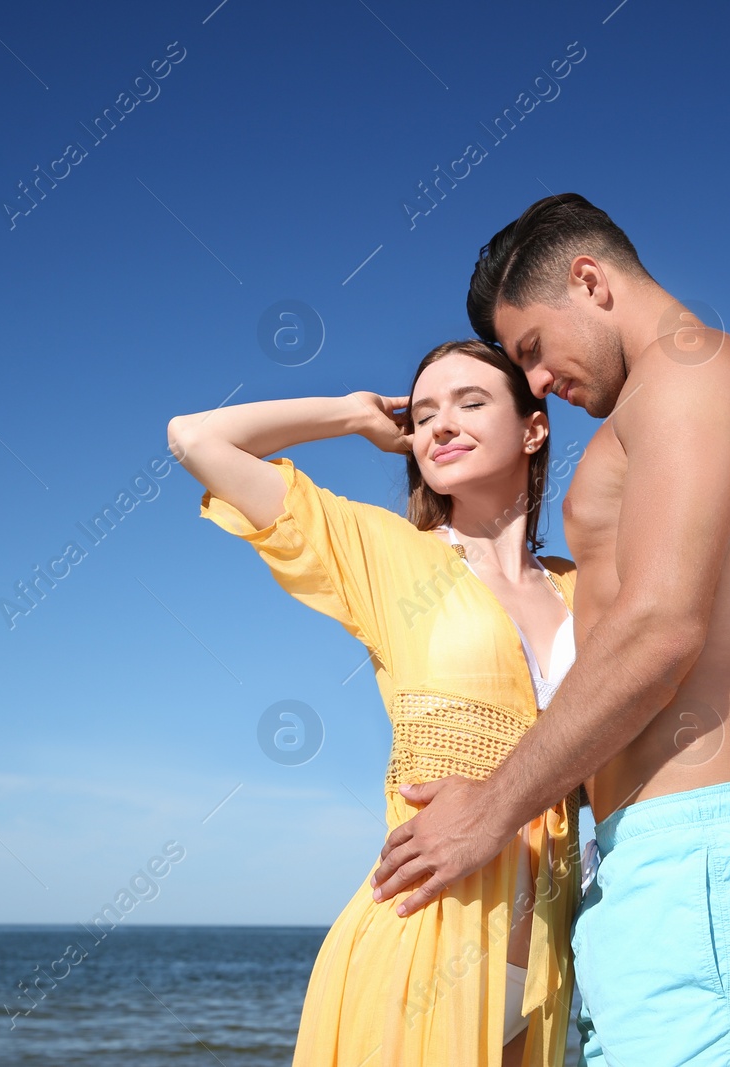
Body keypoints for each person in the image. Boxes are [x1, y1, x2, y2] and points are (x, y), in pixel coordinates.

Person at [371, 194, 730, 1066]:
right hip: (662, 857)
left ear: (588, 281)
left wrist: (492, 809)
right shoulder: (667, 396)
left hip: (704, 853)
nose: (541, 381)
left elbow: (660, 627)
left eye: (533, 350)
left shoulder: (690, 372)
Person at [167, 339, 585, 1067]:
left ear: (534, 428)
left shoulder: (585, 587)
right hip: (421, 937)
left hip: (542, 955)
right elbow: (196, 437)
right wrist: (352, 414)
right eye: (423, 415)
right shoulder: (389, 553)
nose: (440, 425)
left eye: (471, 402)